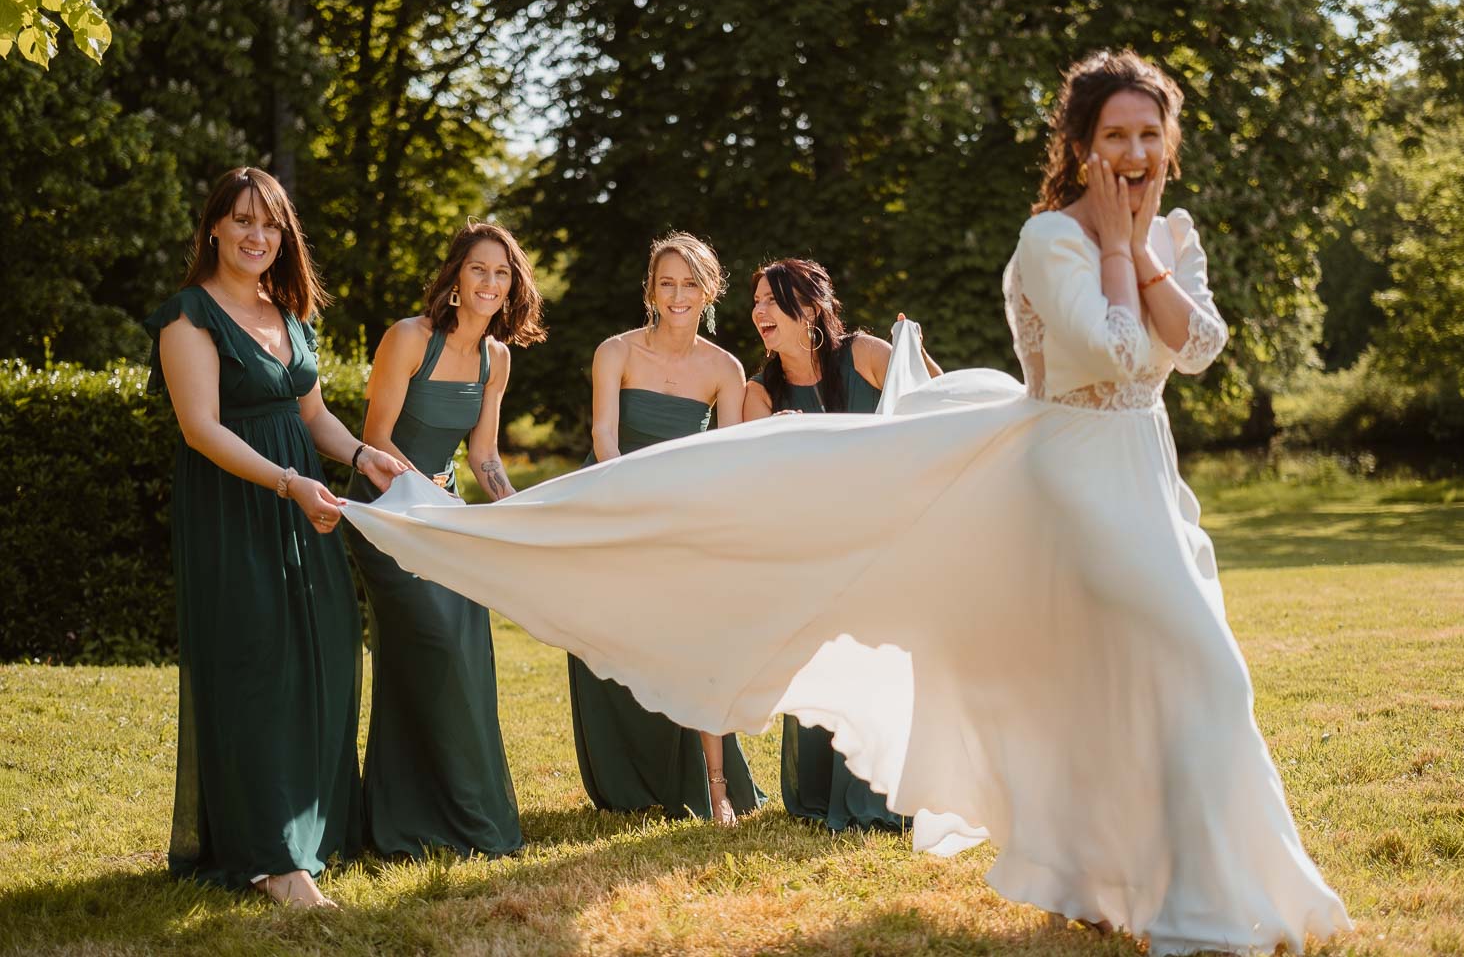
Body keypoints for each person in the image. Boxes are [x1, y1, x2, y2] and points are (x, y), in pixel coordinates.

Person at [344, 51, 1351, 953]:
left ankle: (1109, 878)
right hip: (1075, 477)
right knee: (1203, 669)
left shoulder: (1169, 231)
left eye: (1149, 132)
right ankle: (1169, 894)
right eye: (1115, 134)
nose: (1134, 151)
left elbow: (1203, 344)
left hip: (1148, 469)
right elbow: (1115, 350)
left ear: (1166, 140)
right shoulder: (1051, 239)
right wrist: (1134, 259)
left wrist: (1147, 250)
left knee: (1125, 678)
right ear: (1081, 145)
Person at [145, 166, 405, 908]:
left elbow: (312, 418)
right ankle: (270, 858)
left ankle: (314, 833)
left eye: (271, 224)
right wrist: (288, 484)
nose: (258, 236)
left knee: (320, 657)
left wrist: (362, 456)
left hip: (304, 505)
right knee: (255, 665)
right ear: (215, 228)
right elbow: (201, 430)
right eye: (243, 221)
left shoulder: (287, 310)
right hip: (238, 509)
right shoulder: (188, 314)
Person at [346, 220, 545, 859]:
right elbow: (375, 437)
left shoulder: (497, 358)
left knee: (465, 651)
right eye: (479, 269)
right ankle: (415, 820)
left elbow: (483, 453)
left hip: (446, 517)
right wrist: (428, 495)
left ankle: (450, 820)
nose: (490, 282)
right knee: (433, 645)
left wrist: (514, 511)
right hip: (389, 512)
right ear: (456, 280)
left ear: (512, 287)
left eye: (502, 273)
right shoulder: (409, 338)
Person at [566, 231, 765, 827]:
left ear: (710, 291)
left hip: (682, 516)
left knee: (693, 643)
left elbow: (726, 458)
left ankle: (713, 786)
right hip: (612, 505)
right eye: (667, 283)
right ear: (651, 290)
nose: (679, 295)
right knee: (603, 642)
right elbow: (604, 439)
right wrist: (630, 508)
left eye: (691, 283)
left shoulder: (725, 368)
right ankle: (625, 779)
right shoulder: (617, 352)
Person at [743, 258, 938, 832]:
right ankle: (821, 791)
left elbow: (932, 401)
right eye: (754, 302)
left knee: (879, 661)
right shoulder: (761, 392)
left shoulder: (863, 354)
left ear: (809, 309)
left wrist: (913, 349)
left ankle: (884, 795)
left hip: (884, 539)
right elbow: (757, 482)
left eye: (769, 301)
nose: (757, 313)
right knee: (824, 665)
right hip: (814, 549)